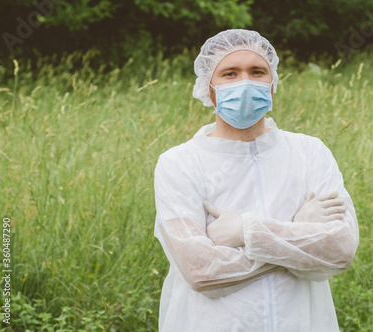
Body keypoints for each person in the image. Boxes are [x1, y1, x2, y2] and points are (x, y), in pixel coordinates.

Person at [153, 29, 359, 332]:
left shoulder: (310, 152)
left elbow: (340, 249)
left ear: (273, 84)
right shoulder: (179, 163)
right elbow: (200, 270)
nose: (245, 82)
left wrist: (246, 231)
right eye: (230, 73)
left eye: (257, 71)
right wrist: (297, 233)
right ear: (209, 88)